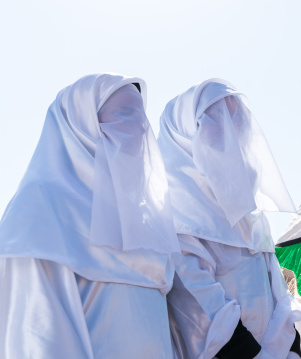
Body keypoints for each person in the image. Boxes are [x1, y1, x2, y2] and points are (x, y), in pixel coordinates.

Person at [0, 73, 181, 358]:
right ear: (79, 127)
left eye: (138, 120)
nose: (135, 133)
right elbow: (36, 338)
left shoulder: (143, 223)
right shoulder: (39, 211)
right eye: (121, 116)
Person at [158, 78, 301, 359]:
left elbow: (278, 293)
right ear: (184, 137)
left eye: (235, 119)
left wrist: (291, 351)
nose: (230, 131)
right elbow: (202, 312)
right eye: (217, 122)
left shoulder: (249, 217)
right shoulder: (177, 221)